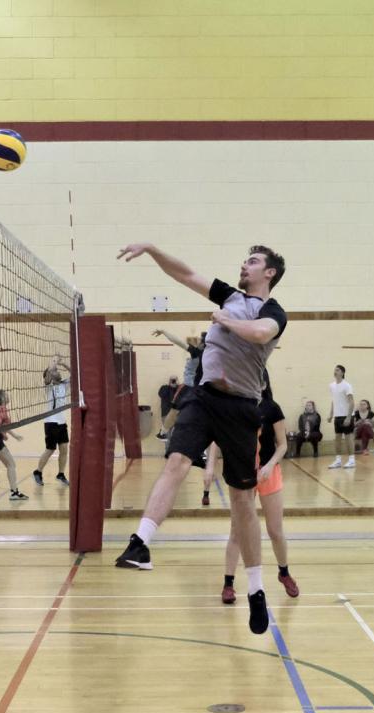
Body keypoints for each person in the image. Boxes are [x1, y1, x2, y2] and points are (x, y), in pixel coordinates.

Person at [113, 243, 287, 636]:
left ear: (270, 274)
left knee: (243, 501)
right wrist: (153, 249)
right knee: (175, 461)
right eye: (245, 259)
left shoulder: (271, 312)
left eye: (254, 261)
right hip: (203, 397)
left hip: (242, 409)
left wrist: (223, 321)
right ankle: (141, 542)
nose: (245, 264)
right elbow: (185, 272)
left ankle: (256, 590)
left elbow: (260, 334)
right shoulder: (229, 295)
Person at [220, 378, 298, 604]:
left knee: (275, 530)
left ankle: (284, 573)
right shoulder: (236, 406)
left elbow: (282, 444)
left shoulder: (271, 408)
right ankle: (228, 584)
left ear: (263, 383)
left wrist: (270, 465)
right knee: (237, 531)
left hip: (268, 472)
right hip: (243, 475)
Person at [33, 355, 70, 486]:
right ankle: (38, 472)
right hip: (51, 422)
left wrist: (64, 364)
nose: (58, 372)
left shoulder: (64, 385)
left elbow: (76, 375)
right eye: (55, 371)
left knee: (64, 449)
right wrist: (55, 360)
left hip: (61, 422)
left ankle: (61, 474)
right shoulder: (49, 386)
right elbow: (49, 371)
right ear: (49, 375)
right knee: (50, 449)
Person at [327, 364, 356, 469]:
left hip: (347, 415)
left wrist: (349, 417)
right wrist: (331, 414)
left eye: (338, 370)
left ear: (342, 373)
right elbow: (334, 400)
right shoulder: (332, 386)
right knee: (337, 438)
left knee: (349, 438)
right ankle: (338, 460)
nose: (335, 371)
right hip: (337, 416)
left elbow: (352, 402)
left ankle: (352, 460)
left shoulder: (347, 385)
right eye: (334, 370)